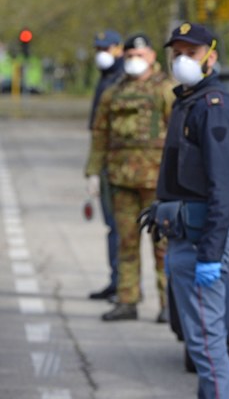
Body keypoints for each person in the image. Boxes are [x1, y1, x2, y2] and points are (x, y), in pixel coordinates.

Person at [152, 22, 229, 399]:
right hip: (183, 238)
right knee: (199, 345)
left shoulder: (215, 108)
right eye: (176, 53)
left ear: (212, 56)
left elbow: (224, 189)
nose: (181, 60)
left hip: (200, 243)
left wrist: (209, 253)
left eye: (190, 53)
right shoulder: (188, 101)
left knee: (208, 346)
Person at [85, 33, 176, 322]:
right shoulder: (113, 92)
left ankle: (167, 304)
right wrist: (92, 171)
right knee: (126, 243)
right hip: (121, 179)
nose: (134, 60)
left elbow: (179, 136)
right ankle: (127, 300)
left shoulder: (166, 90)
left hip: (157, 182)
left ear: (152, 56)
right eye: (130, 56)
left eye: (140, 55)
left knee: (163, 246)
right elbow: (100, 135)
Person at [86, 29, 124, 302]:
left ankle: (125, 286)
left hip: (126, 166)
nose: (102, 54)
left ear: (119, 48)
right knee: (114, 226)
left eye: (107, 48)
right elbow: (97, 131)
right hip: (108, 164)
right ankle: (117, 282)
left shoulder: (123, 79)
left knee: (123, 228)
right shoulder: (107, 78)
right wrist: (92, 169)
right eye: (99, 49)